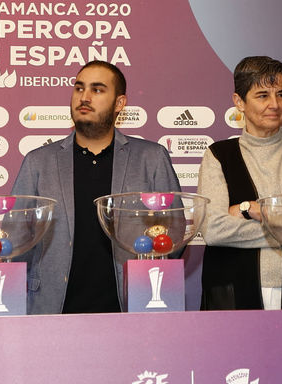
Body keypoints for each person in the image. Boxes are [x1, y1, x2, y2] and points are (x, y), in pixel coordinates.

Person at [11, 61, 181, 314]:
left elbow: (174, 234)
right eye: (79, 88)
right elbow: (16, 240)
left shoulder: (151, 158)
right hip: (53, 310)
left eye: (97, 90)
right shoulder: (38, 162)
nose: (84, 97)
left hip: (132, 309)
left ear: (119, 103)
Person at [198, 56, 282, 310]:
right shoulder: (218, 155)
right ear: (239, 101)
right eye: (262, 96)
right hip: (231, 291)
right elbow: (214, 230)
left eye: (280, 94)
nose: (274, 104)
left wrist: (254, 211)